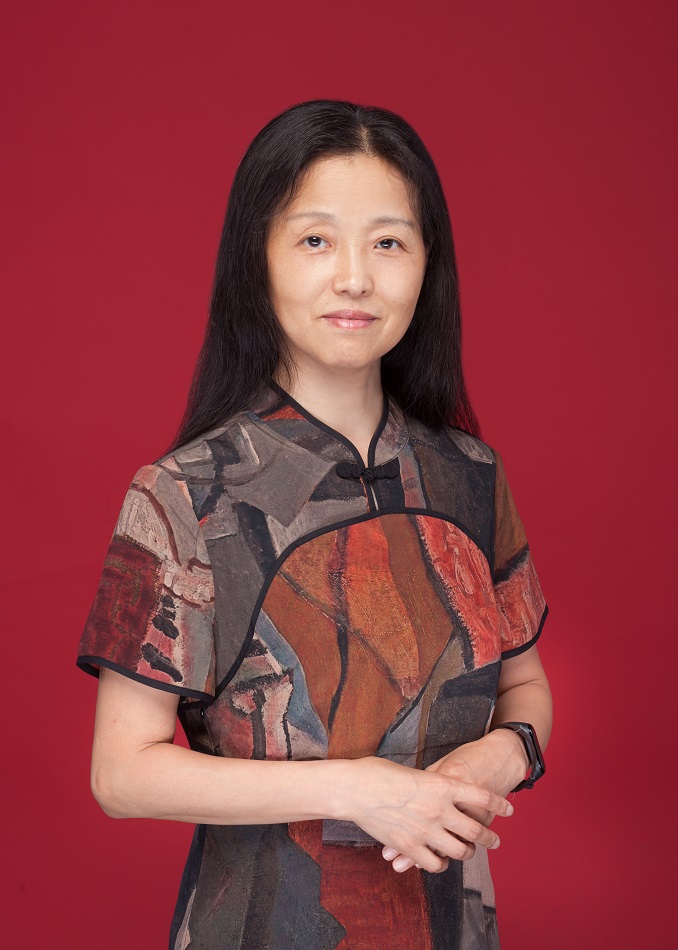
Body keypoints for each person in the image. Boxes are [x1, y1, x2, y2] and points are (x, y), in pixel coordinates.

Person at [76, 98, 553, 950]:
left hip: (455, 927)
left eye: (389, 243)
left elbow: (526, 691)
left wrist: (505, 753)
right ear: (256, 261)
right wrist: (357, 789)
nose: (356, 278)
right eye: (315, 240)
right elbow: (122, 773)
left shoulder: (472, 477)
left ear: (428, 265)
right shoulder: (184, 494)